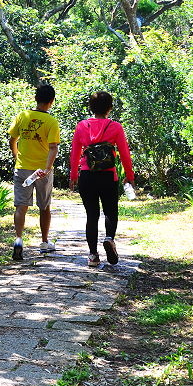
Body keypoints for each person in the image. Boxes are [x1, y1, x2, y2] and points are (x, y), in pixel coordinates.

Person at [69, 91, 135, 267]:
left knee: (92, 215)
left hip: (87, 176)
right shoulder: (115, 127)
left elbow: (75, 152)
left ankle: (92, 255)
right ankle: (109, 239)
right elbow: (125, 154)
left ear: (90, 107)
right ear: (110, 108)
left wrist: (73, 175)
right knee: (110, 211)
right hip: (108, 175)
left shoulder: (82, 126)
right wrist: (129, 176)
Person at [8, 84, 61, 261]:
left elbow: (12, 139)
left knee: (21, 206)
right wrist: (47, 168)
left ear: (35, 98)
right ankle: (45, 243)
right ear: (51, 101)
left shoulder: (23, 116)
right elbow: (53, 148)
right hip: (42, 171)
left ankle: (18, 240)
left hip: (22, 168)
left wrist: (17, 157)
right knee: (44, 206)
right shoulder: (51, 122)